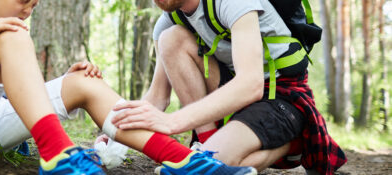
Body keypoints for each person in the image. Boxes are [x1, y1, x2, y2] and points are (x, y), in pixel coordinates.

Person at [0, 0, 257, 174]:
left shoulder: (9, 30)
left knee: (82, 81)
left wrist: (66, 83)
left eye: (35, 2)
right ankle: (58, 157)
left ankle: (186, 163)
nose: (29, 8)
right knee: (11, 37)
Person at [111, 0, 347, 174]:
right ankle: (208, 146)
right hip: (231, 94)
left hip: (279, 95)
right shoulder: (168, 21)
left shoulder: (233, 2)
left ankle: (292, 142)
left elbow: (250, 84)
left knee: (209, 169)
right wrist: (115, 138)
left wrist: (174, 122)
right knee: (170, 38)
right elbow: (157, 96)